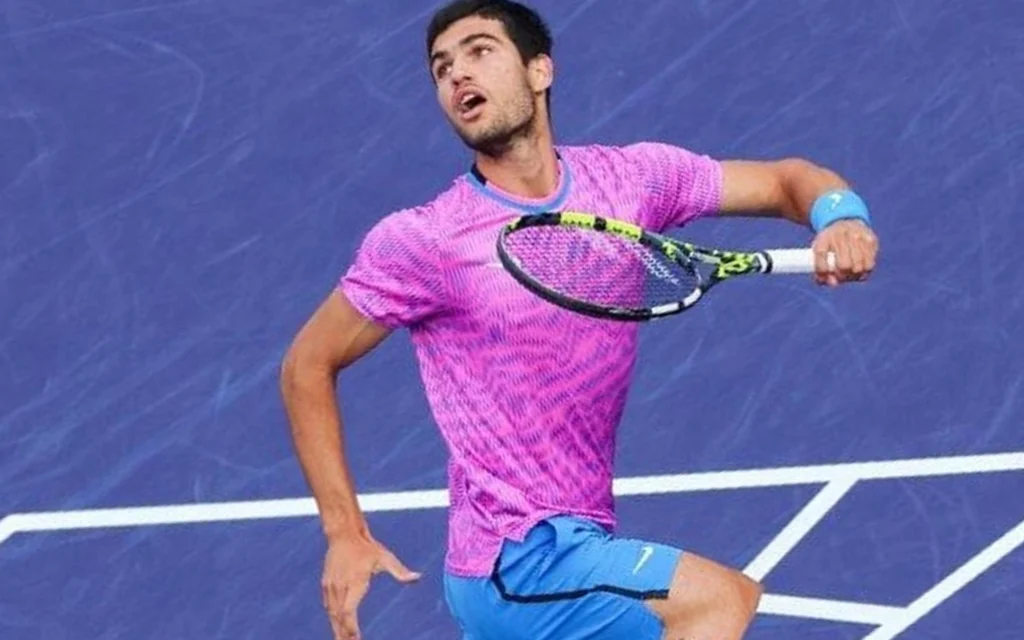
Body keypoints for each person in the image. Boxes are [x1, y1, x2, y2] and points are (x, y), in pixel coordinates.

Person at [279, 1, 880, 638]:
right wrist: (345, 532)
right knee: (717, 601)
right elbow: (306, 365)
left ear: (540, 71)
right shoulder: (426, 241)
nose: (457, 75)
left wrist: (841, 216)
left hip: (578, 538)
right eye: (441, 67)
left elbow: (789, 181)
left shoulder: (630, 183)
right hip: (515, 561)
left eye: (480, 51)